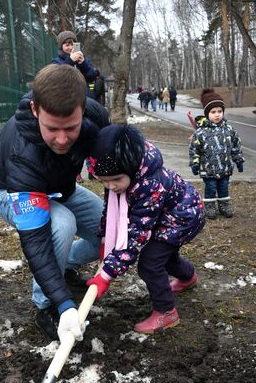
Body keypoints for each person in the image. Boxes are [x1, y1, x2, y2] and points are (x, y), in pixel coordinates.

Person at [0, 64, 109, 342]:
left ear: (83, 108)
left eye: (71, 128)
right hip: (12, 192)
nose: (62, 139)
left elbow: (112, 163)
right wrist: (65, 305)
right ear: (34, 110)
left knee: (107, 228)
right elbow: (36, 240)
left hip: (61, 188)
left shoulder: (95, 116)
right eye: (52, 128)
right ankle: (45, 304)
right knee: (62, 224)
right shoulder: (23, 153)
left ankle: (63, 267)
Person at [86, 124, 205, 334]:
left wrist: (107, 274)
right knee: (164, 256)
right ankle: (188, 277)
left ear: (131, 169)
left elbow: (136, 234)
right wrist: (107, 240)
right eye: (103, 181)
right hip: (165, 216)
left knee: (150, 263)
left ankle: (166, 312)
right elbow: (112, 212)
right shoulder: (119, 176)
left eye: (115, 180)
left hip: (182, 217)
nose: (110, 187)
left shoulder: (150, 185)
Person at [189, 89, 244, 219]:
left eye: (219, 111)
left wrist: (239, 160)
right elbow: (194, 149)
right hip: (208, 169)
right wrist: (195, 163)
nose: (217, 115)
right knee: (211, 187)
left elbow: (235, 146)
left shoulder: (229, 130)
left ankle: (224, 205)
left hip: (225, 167)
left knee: (224, 187)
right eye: (213, 112)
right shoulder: (201, 132)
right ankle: (209, 205)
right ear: (207, 113)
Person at [52, 30, 98, 99]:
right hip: (66, 99)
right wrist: (70, 61)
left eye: (72, 44)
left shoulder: (83, 59)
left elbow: (92, 77)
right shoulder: (56, 61)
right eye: (67, 45)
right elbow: (57, 79)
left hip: (85, 97)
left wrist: (83, 64)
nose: (70, 48)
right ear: (61, 47)